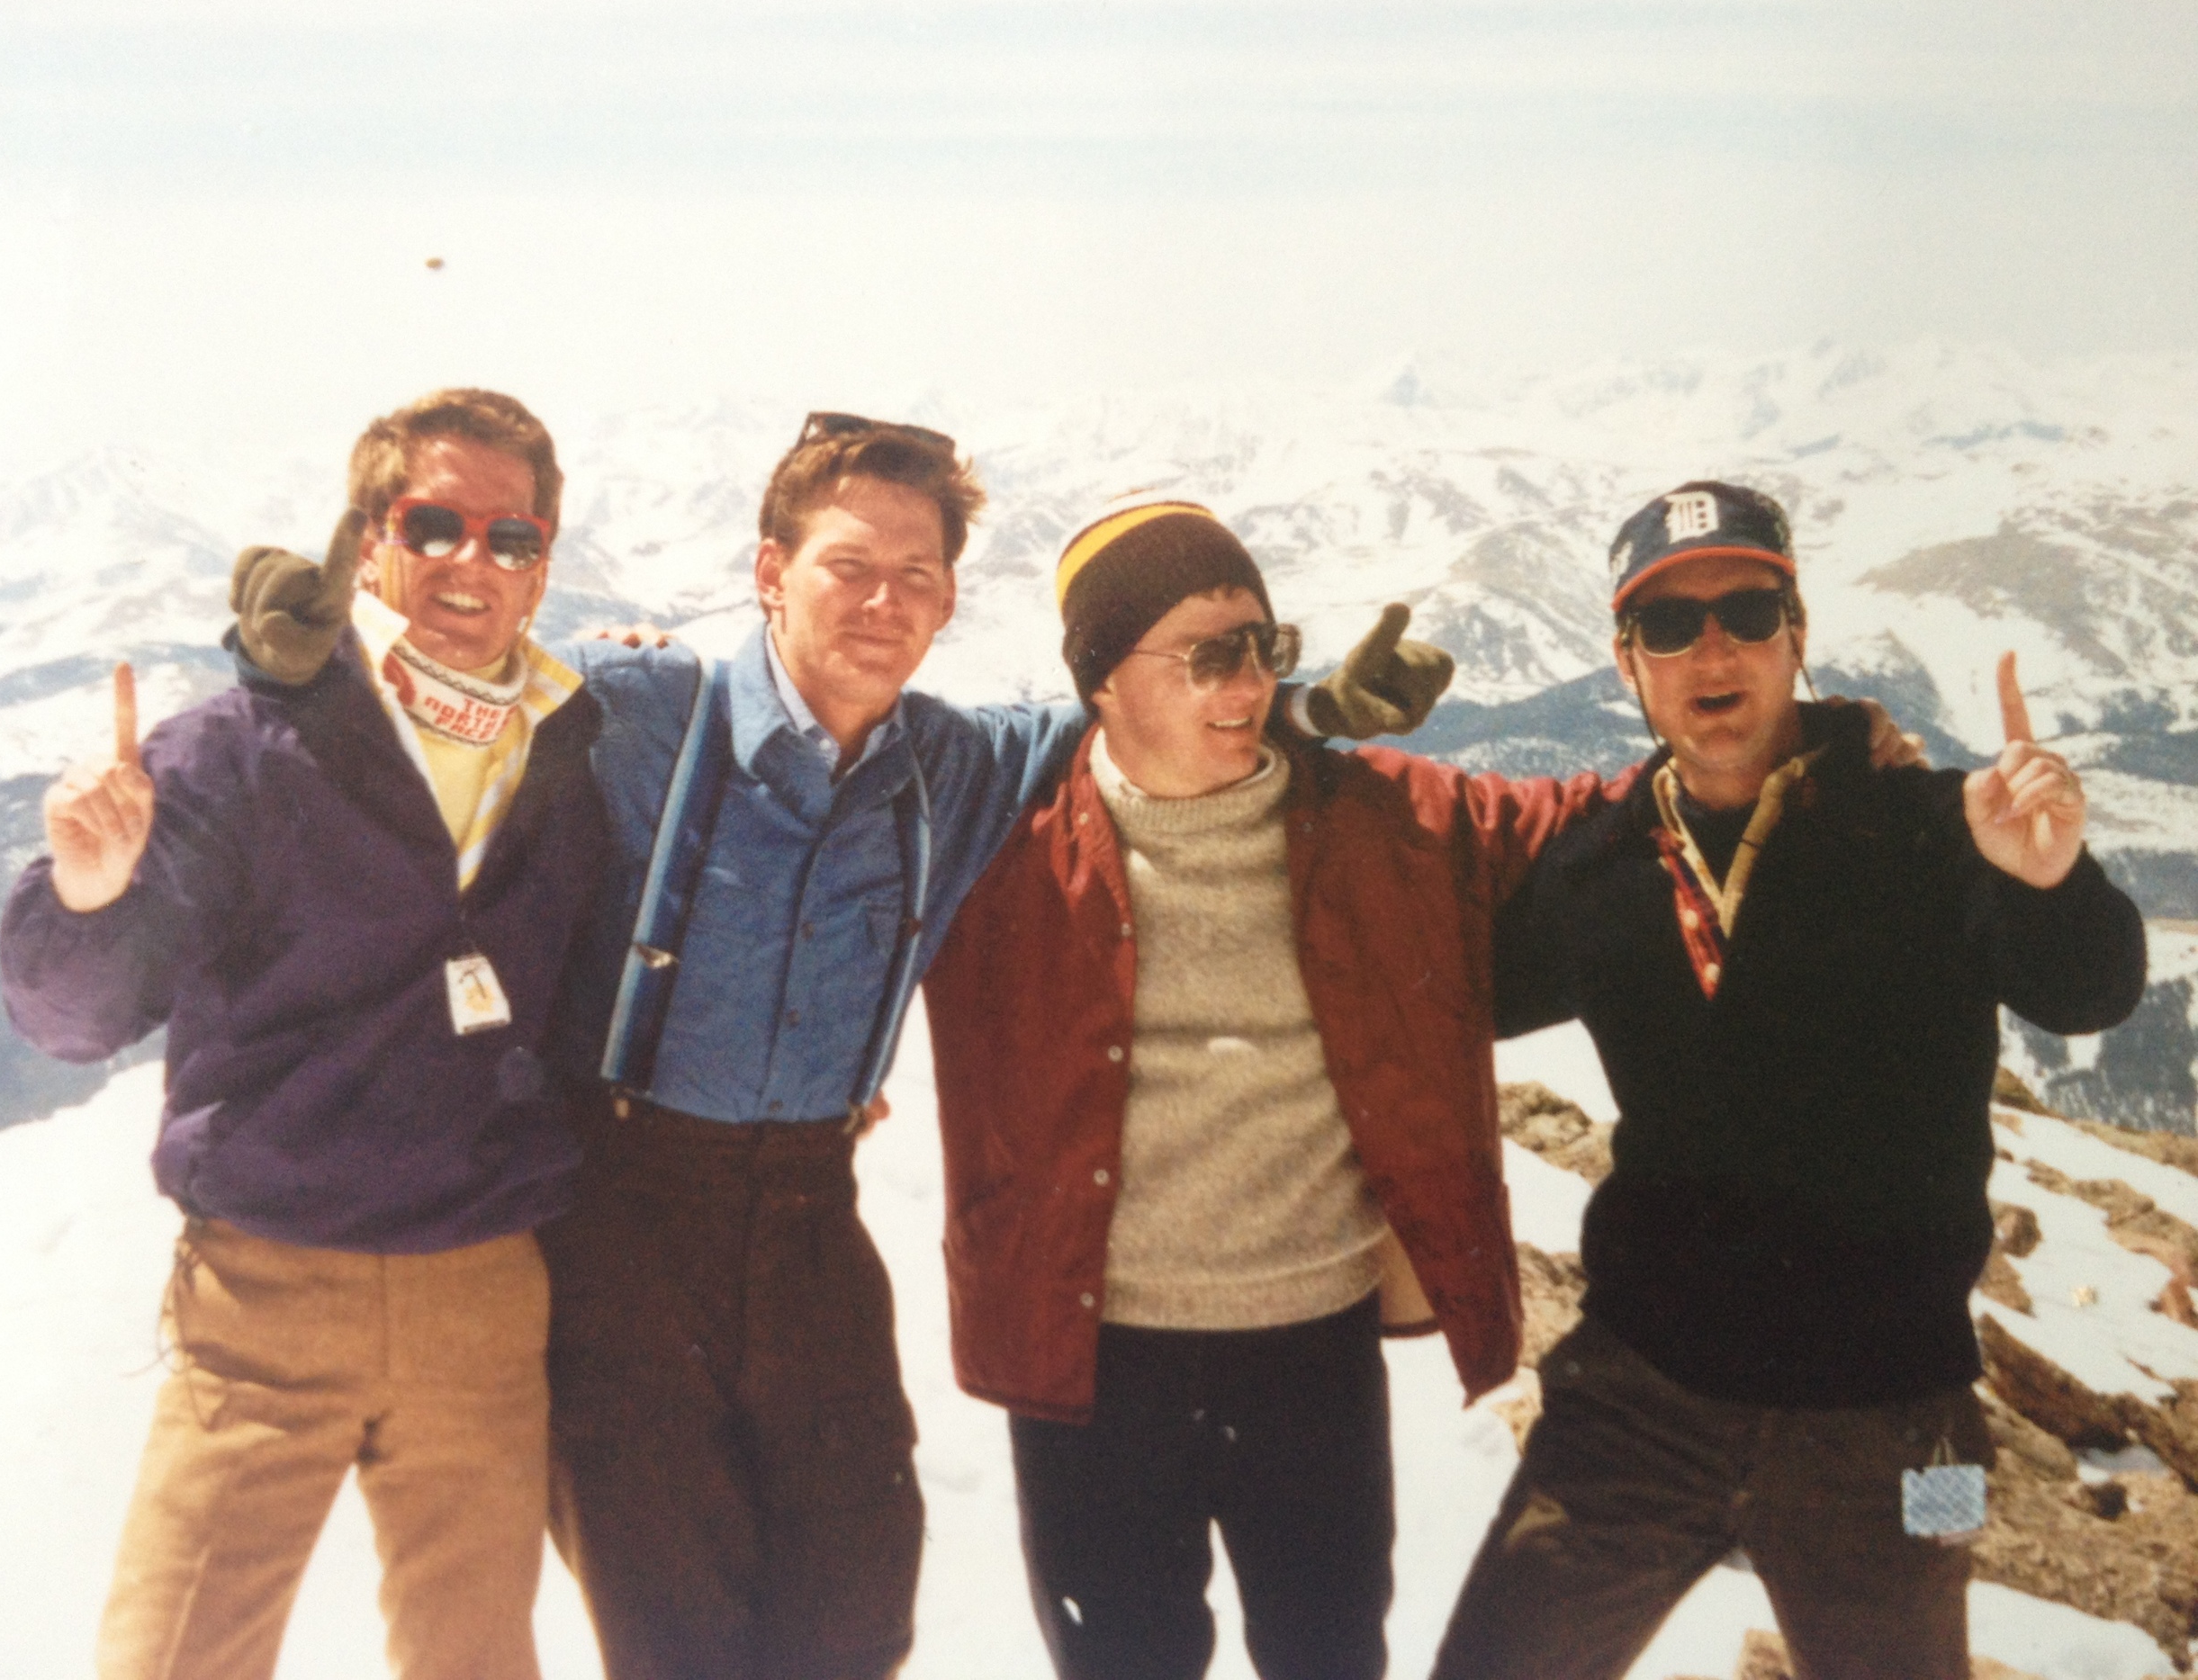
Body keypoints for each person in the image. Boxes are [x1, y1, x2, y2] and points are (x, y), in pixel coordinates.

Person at [229, 412, 1451, 1680]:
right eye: (848, 567)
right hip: (623, 1221)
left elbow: (1133, 721)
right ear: (770, 572)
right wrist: (299, 669)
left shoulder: (954, 764)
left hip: (814, 1218)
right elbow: (455, 684)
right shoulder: (635, 708)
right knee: (679, 1632)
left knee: (854, 1611)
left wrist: (1305, 713)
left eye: (917, 577)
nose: (884, 602)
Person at [1431, 481, 2149, 1680]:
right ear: (1627, 664)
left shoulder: (1927, 826)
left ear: (1797, 637)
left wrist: (2055, 880)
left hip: (1905, 1428)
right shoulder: (1602, 868)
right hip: (1634, 1404)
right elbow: (1439, 1000)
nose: (1712, 648)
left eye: (1748, 612)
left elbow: (2091, 990)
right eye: (1670, 626)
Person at [916, 499, 1632, 1680]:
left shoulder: (1385, 821)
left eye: (1265, 648)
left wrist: (1823, 753)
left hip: (1312, 1353)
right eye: (1209, 656)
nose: (1247, 682)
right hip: (1092, 1361)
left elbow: (1601, 825)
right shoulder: (1003, 849)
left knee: (1330, 1656)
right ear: (1101, 678)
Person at [0, 388, 608, 1680]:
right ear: (368, 538)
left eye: (510, 539)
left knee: (476, 1661)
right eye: (433, 522)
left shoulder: (568, 753)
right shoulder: (246, 747)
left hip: (483, 1294)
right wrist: (88, 893)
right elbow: (75, 1016)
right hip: (269, 1296)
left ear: (543, 565)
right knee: (173, 1657)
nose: (468, 561)